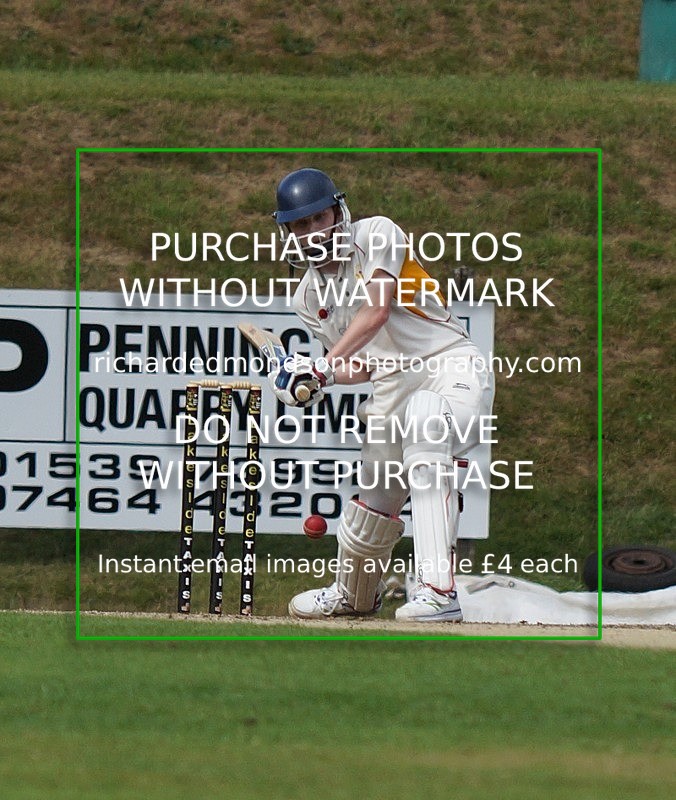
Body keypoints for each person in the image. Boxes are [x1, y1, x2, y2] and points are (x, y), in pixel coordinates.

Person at [268, 168, 494, 622]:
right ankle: (355, 595)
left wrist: (323, 364)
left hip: (449, 365)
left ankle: (438, 591)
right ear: (288, 232)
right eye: (300, 225)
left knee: (428, 421)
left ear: (338, 211)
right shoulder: (308, 297)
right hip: (392, 385)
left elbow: (376, 310)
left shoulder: (376, 233)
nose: (313, 232)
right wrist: (320, 381)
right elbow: (363, 363)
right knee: (375, 501)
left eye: (319, 219)